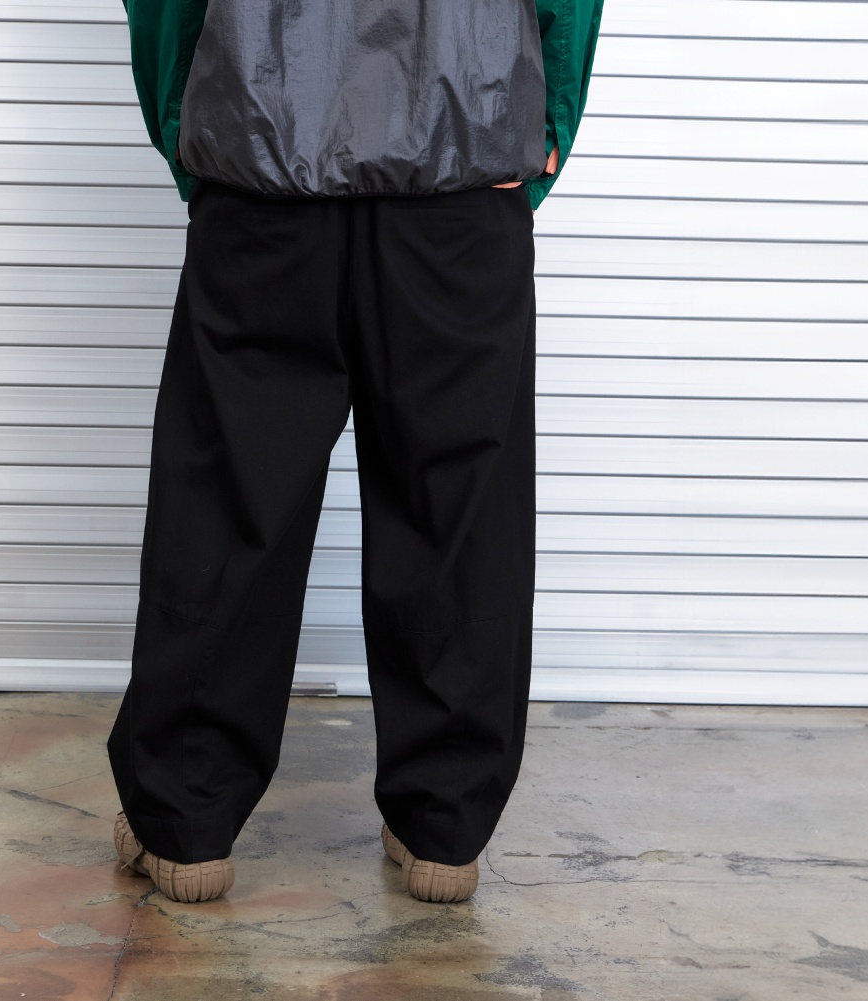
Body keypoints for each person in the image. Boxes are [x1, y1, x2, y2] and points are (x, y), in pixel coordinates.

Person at [108, 0, 604, 905]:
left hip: (261, 171)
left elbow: (164, 7)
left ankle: (185, 821)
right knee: (457, 507)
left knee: (229, 497)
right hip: (463, 169)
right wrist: (544, 123)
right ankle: (442, 828)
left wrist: (191, 124)